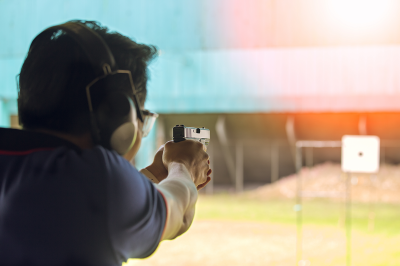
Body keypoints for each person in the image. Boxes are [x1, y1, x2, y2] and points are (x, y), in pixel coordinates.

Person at [0, 20, 211, 266]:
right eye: (141, 115)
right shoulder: (97, 179)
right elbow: (175, 212)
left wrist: (153, 174)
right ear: (117, 115)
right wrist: (183, 165)